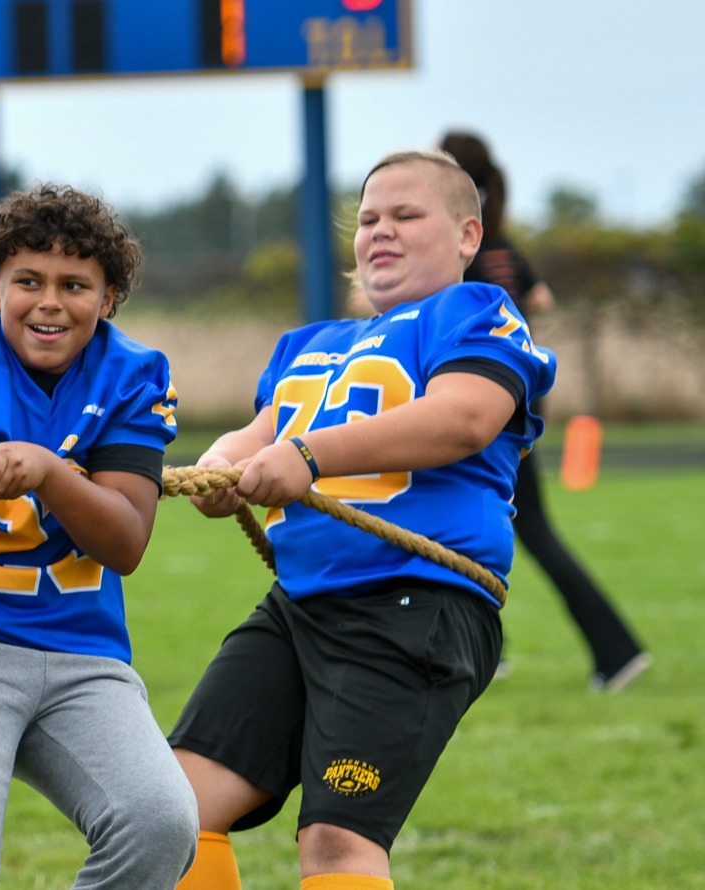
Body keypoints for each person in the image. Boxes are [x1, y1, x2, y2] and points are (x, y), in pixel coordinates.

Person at [168, 149, 556, 890]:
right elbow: (255, 436)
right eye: (369, 218)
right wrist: (220, 469)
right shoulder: (311, 345)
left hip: (415, 606)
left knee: (337, 844)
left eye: (407, 215)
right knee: (170, 808)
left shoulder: (477, 312)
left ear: (468, 236)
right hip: (298, 608)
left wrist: (308, 455)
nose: (380, 230)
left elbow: (466, 417)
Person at [0, 185, 196, 889]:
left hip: (82, 649)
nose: (50, 301)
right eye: (28, 280)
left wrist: (52, 473)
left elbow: (124, 543)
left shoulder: (134, 375)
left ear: (109, 297)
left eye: (75, 284)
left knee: (160, 821)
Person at [438, 129, 649, 692]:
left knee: (511, 526)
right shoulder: (504, 246)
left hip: (486, 406)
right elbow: (540, 299)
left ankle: (616, 650)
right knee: (479, 525)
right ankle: (491, 651)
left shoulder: (464, 249)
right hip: (520, 402)